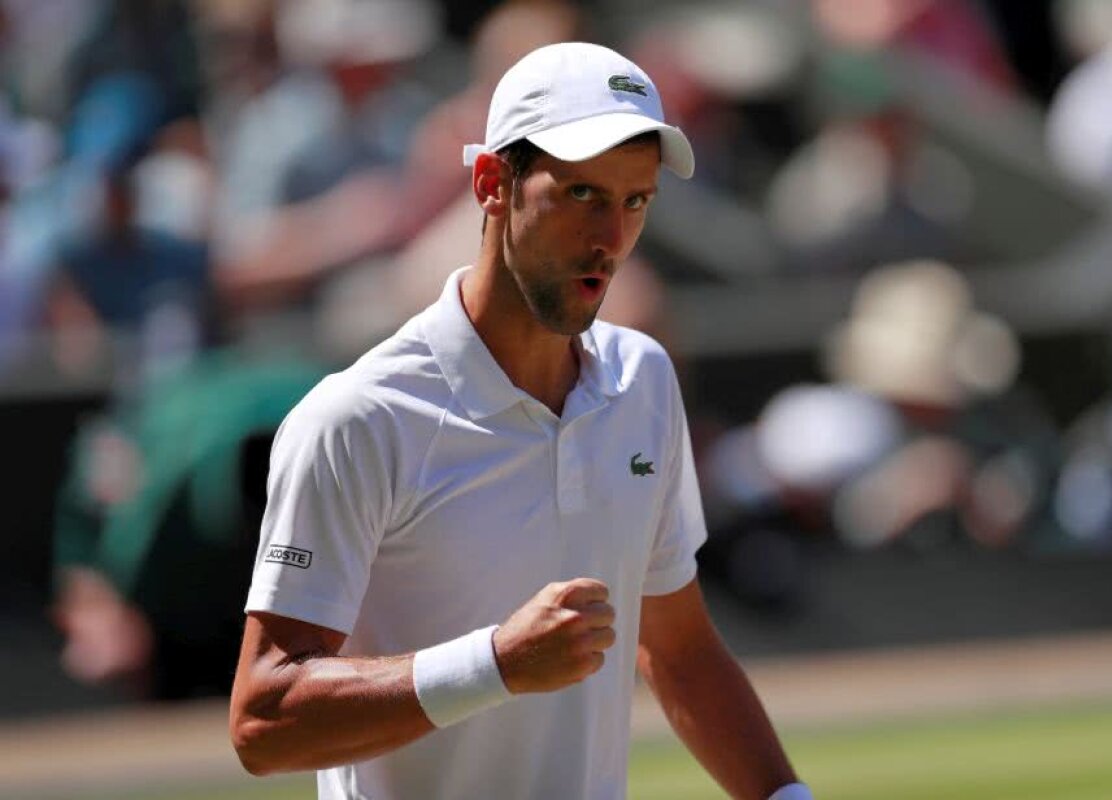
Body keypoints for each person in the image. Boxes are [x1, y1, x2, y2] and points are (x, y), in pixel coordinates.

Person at [229, 42, 809, 800]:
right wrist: (495, 664)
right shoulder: (356, 419)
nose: (611, 235)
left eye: (636, 200)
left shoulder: (644, 382)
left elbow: (678, 650)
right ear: (491, 183)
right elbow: (264, 720)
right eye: (580, 195)